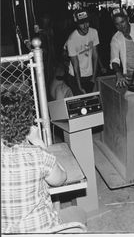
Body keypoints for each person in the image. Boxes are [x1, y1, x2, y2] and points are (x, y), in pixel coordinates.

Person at [1, 90, 86, 233]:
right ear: (26, 122)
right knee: (79, 213)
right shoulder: (37, 156)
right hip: (42, 230)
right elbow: (60, 179)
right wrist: (37, 141)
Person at [64, 8, 100, 94]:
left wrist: (93, 78)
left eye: (87, 22)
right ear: (77, 24)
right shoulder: (72, 40)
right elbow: (75, 66)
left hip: (90, 75)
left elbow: (95, 56)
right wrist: (79, 86)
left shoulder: (94, 32)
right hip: (76, 77)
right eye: (81, 23)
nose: (85, 26)